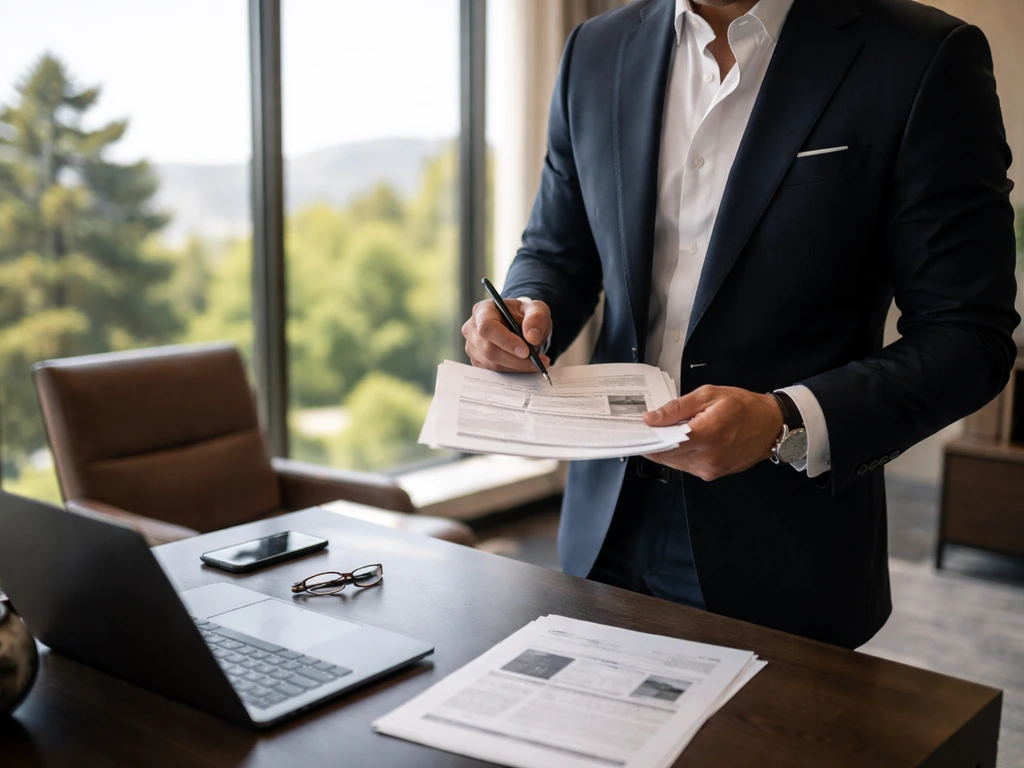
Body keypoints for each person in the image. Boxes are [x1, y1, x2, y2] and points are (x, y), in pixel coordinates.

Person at [462, 0, 1020, 648]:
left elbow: (969, 334)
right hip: (602, 523)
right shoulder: (596, 48)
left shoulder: (922, 56)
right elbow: (557, 250)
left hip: (785, 547)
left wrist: (785, 421)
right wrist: (526, 307)